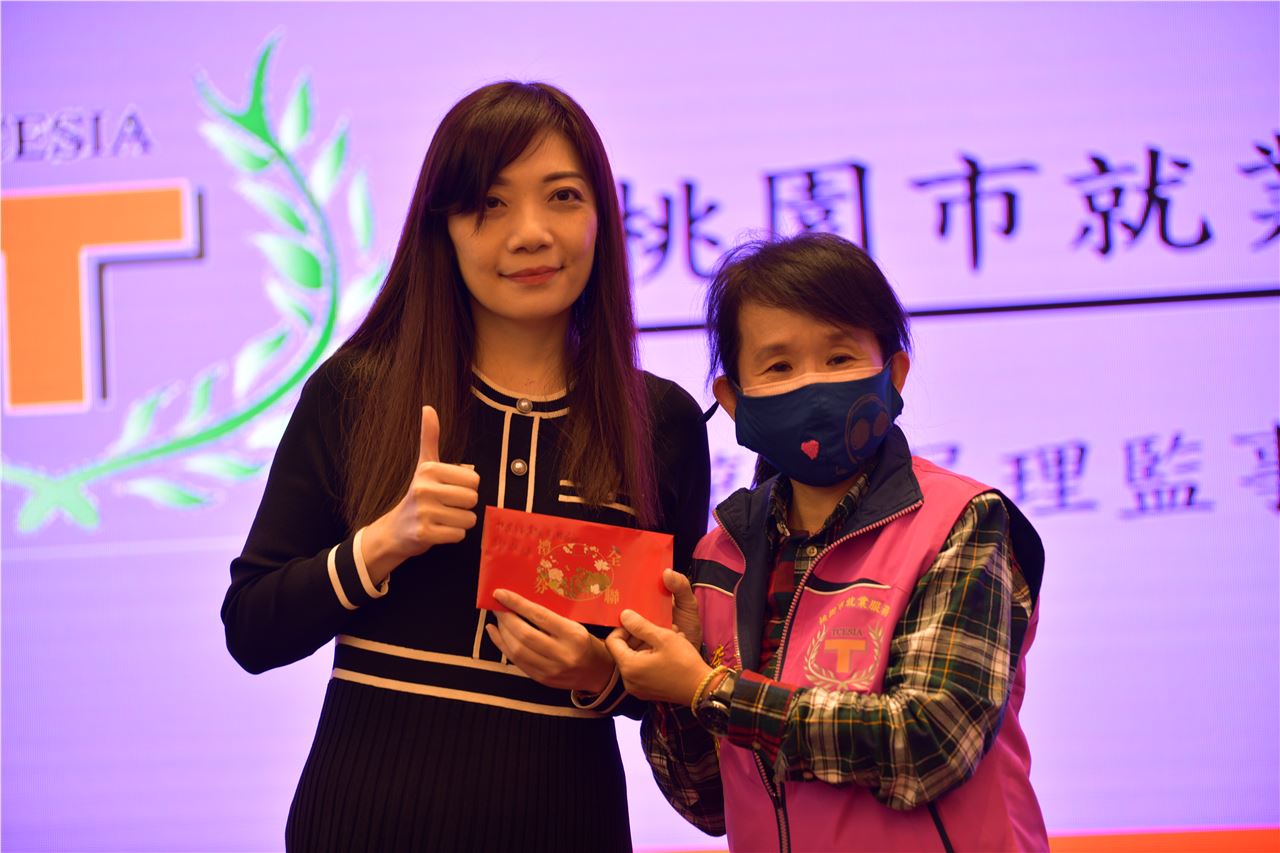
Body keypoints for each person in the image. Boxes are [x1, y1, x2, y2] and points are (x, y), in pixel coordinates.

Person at [221, 81, 710, 852]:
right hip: (362, 826)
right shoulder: (358, 391)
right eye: (489, 204)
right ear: (442, 226)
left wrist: (598, 673)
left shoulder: (662, 422)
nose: (530, 233)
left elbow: (679, 685)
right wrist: (385, 541)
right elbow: (251, 629)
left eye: (562, 197)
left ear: (602, 218)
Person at [607, 233, 1047, 852]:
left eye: (839, 358)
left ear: (894, 374)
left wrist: (710, 690)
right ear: (733, 402)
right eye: (779, 367)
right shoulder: (719, 559)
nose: (812, 385)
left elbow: (930, 744)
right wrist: (677, 690)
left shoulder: (962, 522)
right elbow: (705, 802)